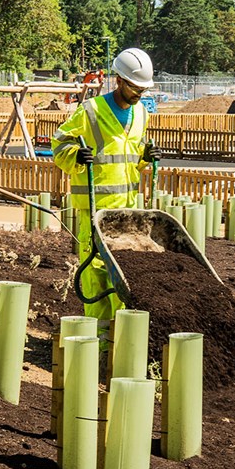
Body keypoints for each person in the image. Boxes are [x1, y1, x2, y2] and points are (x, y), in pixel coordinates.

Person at [51, 47, 160, 322]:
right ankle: (97, 338)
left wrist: (145, 157)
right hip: (94, 209)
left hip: (126, 210)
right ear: (119, 80)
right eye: (135, 87)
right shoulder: (90, 111)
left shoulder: (141, 115)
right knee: (96, 273)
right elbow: (60, 142)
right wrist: (75, 155)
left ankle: (118, 337)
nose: (140, 94)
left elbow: (130, 157)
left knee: (124, 273)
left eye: (143, 89)